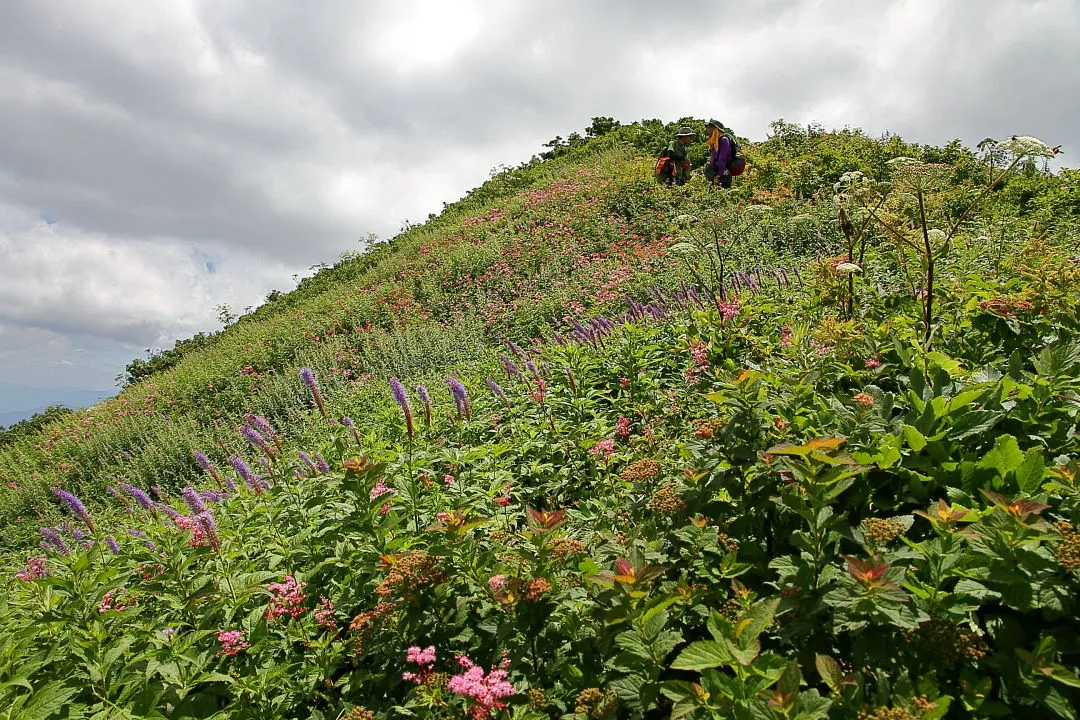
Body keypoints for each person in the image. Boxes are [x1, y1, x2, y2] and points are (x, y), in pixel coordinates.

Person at [704, 120, 734, 188]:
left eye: (709, 127)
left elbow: (722, 159)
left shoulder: (724, 140)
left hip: (723, 173)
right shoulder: (714, 142)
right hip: (715, 173)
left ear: (715, 128)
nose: (707, 129)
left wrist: (719, 175)